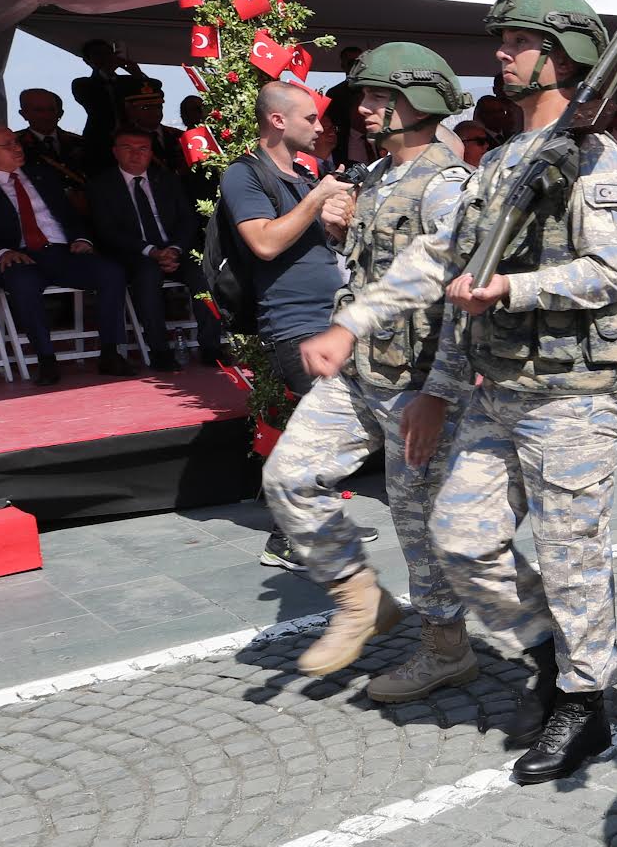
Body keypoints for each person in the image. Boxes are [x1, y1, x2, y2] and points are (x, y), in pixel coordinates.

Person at [294, 0, 617, 786]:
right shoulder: (506, 160)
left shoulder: (596, 158)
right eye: (504, 42)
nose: (501, 54)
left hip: (571, 393)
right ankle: (550, 654)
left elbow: (611, 274)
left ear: (561, 57)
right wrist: (408, 361)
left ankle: (584, 701)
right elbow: (445, 266)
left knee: (570, 556)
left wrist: (512, 289)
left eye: (518, 43)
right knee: (460, 539)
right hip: (497, 388)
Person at [263, 44, 477, 689]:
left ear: (421, 102)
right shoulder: (376, 175)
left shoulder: (449, 187)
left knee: (421, 527)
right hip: (359, 373)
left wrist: (440, 393)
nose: (363, 108)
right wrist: (340, 231)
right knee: (288, 477)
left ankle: (447, 648)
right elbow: (370, 269)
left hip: (419, 383)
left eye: (380, 97)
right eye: (366, 96)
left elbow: (464, 300)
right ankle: (361, 599)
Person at [221, 82, 355, 566]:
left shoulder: (300, 176)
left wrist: (340, 222)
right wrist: (318, 197)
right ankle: (286, 537)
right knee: (321, 428)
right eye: (310, 119)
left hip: (331, 319)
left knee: (333, 426)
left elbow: (323, 246)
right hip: (295, 323)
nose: (320, 128)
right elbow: (265, 243)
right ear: (277, 120)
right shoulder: (244, 174)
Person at [0, 123, 136, 384]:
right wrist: (2, 253)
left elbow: (70, 216)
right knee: (23, 282)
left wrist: (81, 238)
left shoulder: (42, 174)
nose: (17, 148)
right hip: (20, 256)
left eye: (16, 141)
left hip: (63, 252)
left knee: (111, 273)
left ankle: (110, 352)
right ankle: (46, 359)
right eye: (8, 145)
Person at [87, 128, 222, 369]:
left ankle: (212, 348)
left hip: (174, 250)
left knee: (203, 273)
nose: (136, 154)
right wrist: (151, 251)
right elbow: (107, 231)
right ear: (115, 152)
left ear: (151, 153)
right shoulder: (102, 185)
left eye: (143, 149)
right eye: (127, 148)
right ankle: (159, 351)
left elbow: (188, 220)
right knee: (148, 275)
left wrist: (175, 249)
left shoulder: (167, 179)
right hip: (134, 254)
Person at [70, 39, 148, 155]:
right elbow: (96, 104)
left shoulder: (128, 82)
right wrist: (106, 72)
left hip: (131, 140)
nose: (105, 58)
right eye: (98, 54)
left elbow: (153, 94)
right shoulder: (82, 84)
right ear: (87, 61)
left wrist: (137, 74)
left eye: (108, 53)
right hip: (99, 142)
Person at [16, 88, 92, 187]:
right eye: (39, 110)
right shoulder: (14, 145)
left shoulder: (80, 143)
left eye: (51, 109)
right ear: (24, 114)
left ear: (60, 113)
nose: (47, 115)